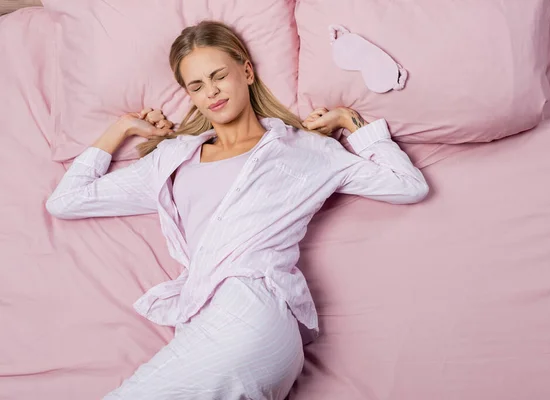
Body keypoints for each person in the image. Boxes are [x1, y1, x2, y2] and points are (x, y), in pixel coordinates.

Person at [46, 20, 428, 400]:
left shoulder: (305, 150)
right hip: (202, 321)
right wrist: (122, 129)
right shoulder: (172, 161)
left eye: (219, 76)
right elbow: (66, 201)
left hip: (257, 310)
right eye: (197, 86)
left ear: (245, 71)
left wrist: (351, 120)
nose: (211, 92)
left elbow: (408, 185)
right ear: (189, 96)